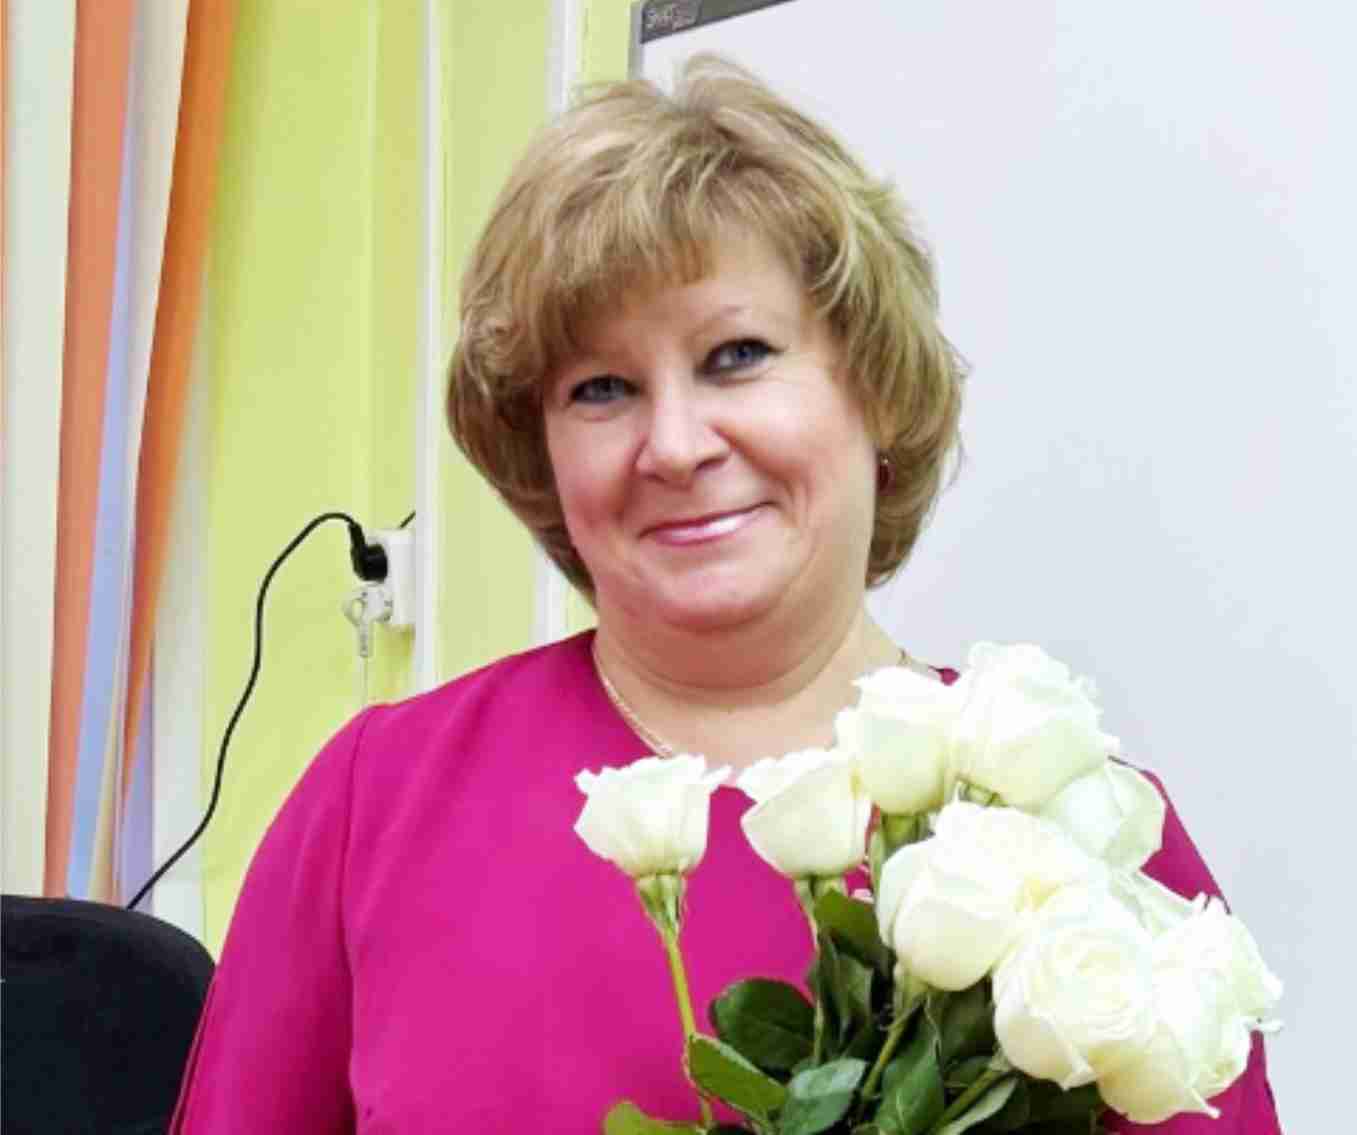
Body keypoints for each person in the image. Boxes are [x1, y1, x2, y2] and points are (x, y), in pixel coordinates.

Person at [171, 57, 1281, 1133]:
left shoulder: (1079, 826)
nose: (674, 444)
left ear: (875, 387)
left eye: (736, 355)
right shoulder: (377, 804)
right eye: (601, 388)